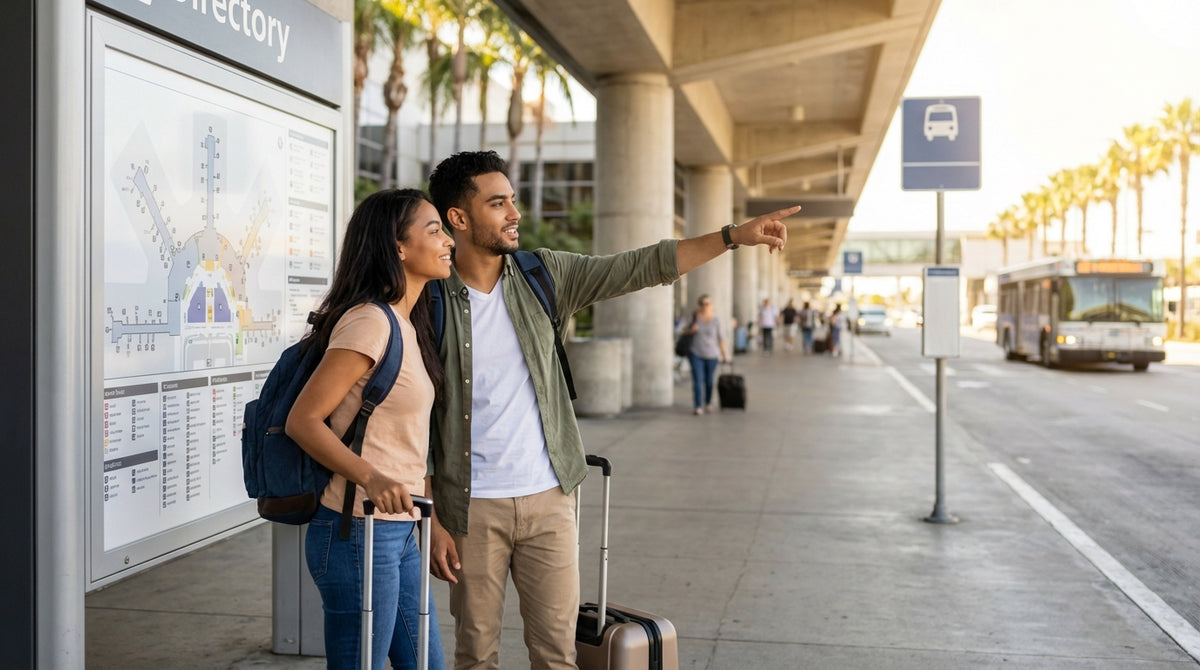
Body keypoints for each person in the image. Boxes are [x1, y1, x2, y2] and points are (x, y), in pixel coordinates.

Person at [424, 150, 795, 670]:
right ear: (458, 219)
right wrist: (432, 514)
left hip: (551, 496)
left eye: (513, 200)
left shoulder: (542, 275)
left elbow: (639, 266)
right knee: (476, 655)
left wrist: (731, 237)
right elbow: (412, 412)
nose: (515, 213)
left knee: (558, 654)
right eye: (498, 202)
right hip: (470, 506)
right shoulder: (428, 300)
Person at [285, 189, 452, 670]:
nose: (447, 242)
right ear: (398, 247)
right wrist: (372, 478)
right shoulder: (369, 322)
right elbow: (304, 421)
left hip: (397, 531)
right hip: (356, 530)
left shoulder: (407, 322)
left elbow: (404, 442)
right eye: (434, 230)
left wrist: (431, 517)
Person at [681, 294, 729, 415]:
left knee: (709, 381)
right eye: (702, 303)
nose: (704, 306)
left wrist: (725, 355)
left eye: (707, 303)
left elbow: (721, 339)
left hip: (712, 355)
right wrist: (692, 329)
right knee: (697, 380)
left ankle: (708, 402)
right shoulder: (694, 317)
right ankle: (698, 406)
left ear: (711, 305)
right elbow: (682, 330)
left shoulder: (717, 320)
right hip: (696, 353)